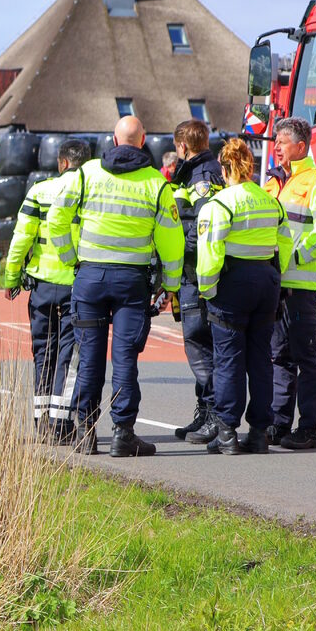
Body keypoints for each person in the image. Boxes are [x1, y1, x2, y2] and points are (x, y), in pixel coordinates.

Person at [46, 114, 183, 456]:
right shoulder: (156, 184)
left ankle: (84, 431)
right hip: (131, 283)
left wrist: (71, 258)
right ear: (143, 141)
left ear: (113, 138)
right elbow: (172, 241)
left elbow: (56, 218)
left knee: (89, 356)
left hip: (90, 278)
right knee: (125, 358)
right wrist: (170, 284)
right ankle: (123, 433)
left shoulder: (86, 174)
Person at [194, 138, 286, 454]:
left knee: (229, 359)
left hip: (233, 284)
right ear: (250, 166)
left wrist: (207, 290)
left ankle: (226, 432)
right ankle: (259, 433)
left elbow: (210, 253)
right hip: (266, 281)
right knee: (261, 359)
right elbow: (284, 244)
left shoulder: (219, 205)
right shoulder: (270, 201)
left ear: (224, 169)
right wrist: (276, 278)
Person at [266, 117, 316, 449]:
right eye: (275, 142)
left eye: (282, 142)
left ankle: (310, 429)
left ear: (300, 147)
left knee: (305, 358)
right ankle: (279, 424)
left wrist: (295, 256)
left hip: (301, 287)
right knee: (279, 357)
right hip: (275, 286)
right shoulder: (271, 184)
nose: (276, 147)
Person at [4, 138, 86, 443]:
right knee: (70, 355)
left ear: (62, 163)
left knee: (43, 352)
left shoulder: (39, 191)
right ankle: (61, 424)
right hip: (77, 285)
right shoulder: (89, 192)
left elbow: (21, 238)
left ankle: (41, 424)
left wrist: (12, 277)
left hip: (42, 287)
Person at [161, 121, 227, 443]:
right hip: (196, 272)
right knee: (199, 343)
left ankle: (214, 415)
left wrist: (181, 253)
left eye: (177, 146)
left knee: (199, 343)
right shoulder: (199, 172)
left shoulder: (201, 177)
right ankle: (205, 411)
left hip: (197, 272)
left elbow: (202, 227)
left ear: (183, 146)